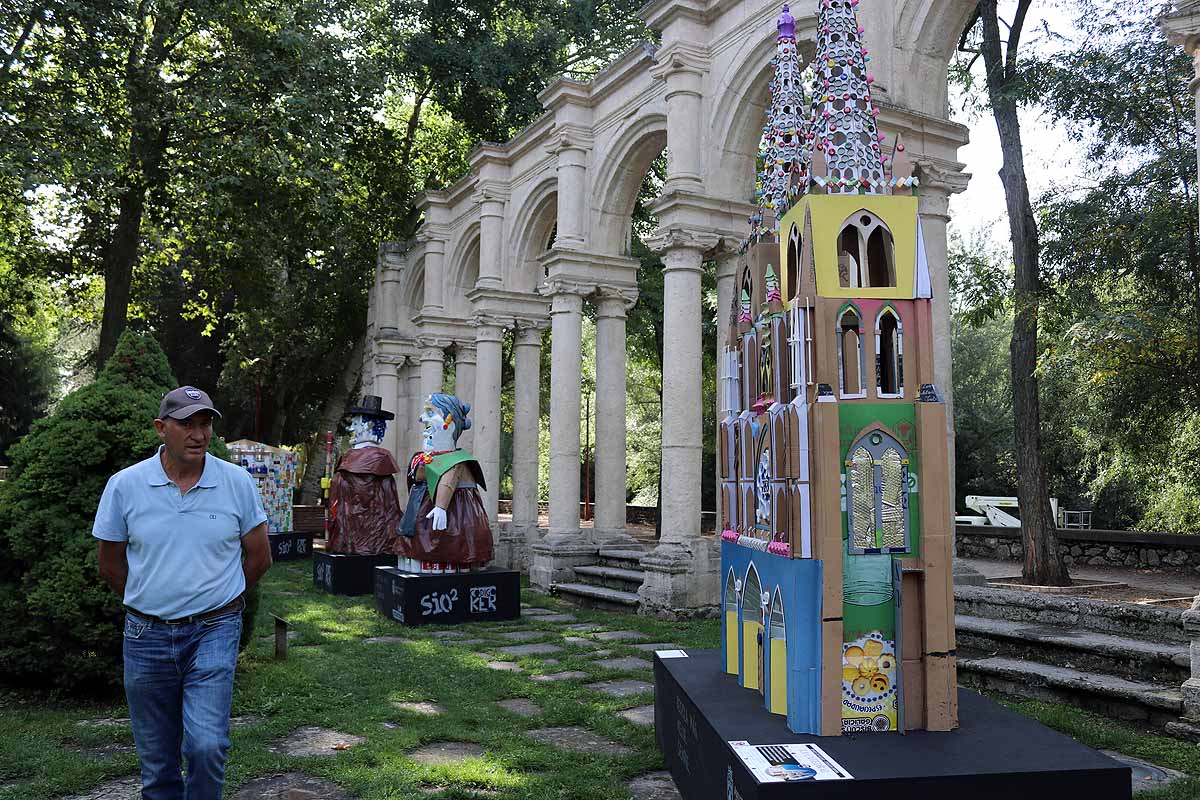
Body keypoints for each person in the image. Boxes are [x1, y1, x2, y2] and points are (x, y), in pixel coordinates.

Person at [93, 386, 272, 800]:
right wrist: (152, 595)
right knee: (157, 764)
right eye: (186, 424)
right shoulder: (125, 486)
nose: (198, 434)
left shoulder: (236, 483)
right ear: (161, 428)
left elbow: (259, 558)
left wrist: (221, 598)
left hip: (214, 630)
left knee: (206, 746)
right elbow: (110, 564)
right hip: (146, 636)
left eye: (205, 423)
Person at [398, 393, 492, 570]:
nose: (422, 419)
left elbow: (449, 476)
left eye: (430, 413)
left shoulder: (456, 461)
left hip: (454, 516)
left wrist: (441, 507)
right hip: (420, 512)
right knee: (417, 544)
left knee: (446, 547)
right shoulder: (424, 458)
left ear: (450, 422)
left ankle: (446, 567)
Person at [325, 395, 403, 555]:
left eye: (356, 423)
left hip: (370, 537)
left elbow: (389, 507)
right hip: (352, 537)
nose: (351, 428)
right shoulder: (355, 457)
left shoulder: (378, 458)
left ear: (369, 425)